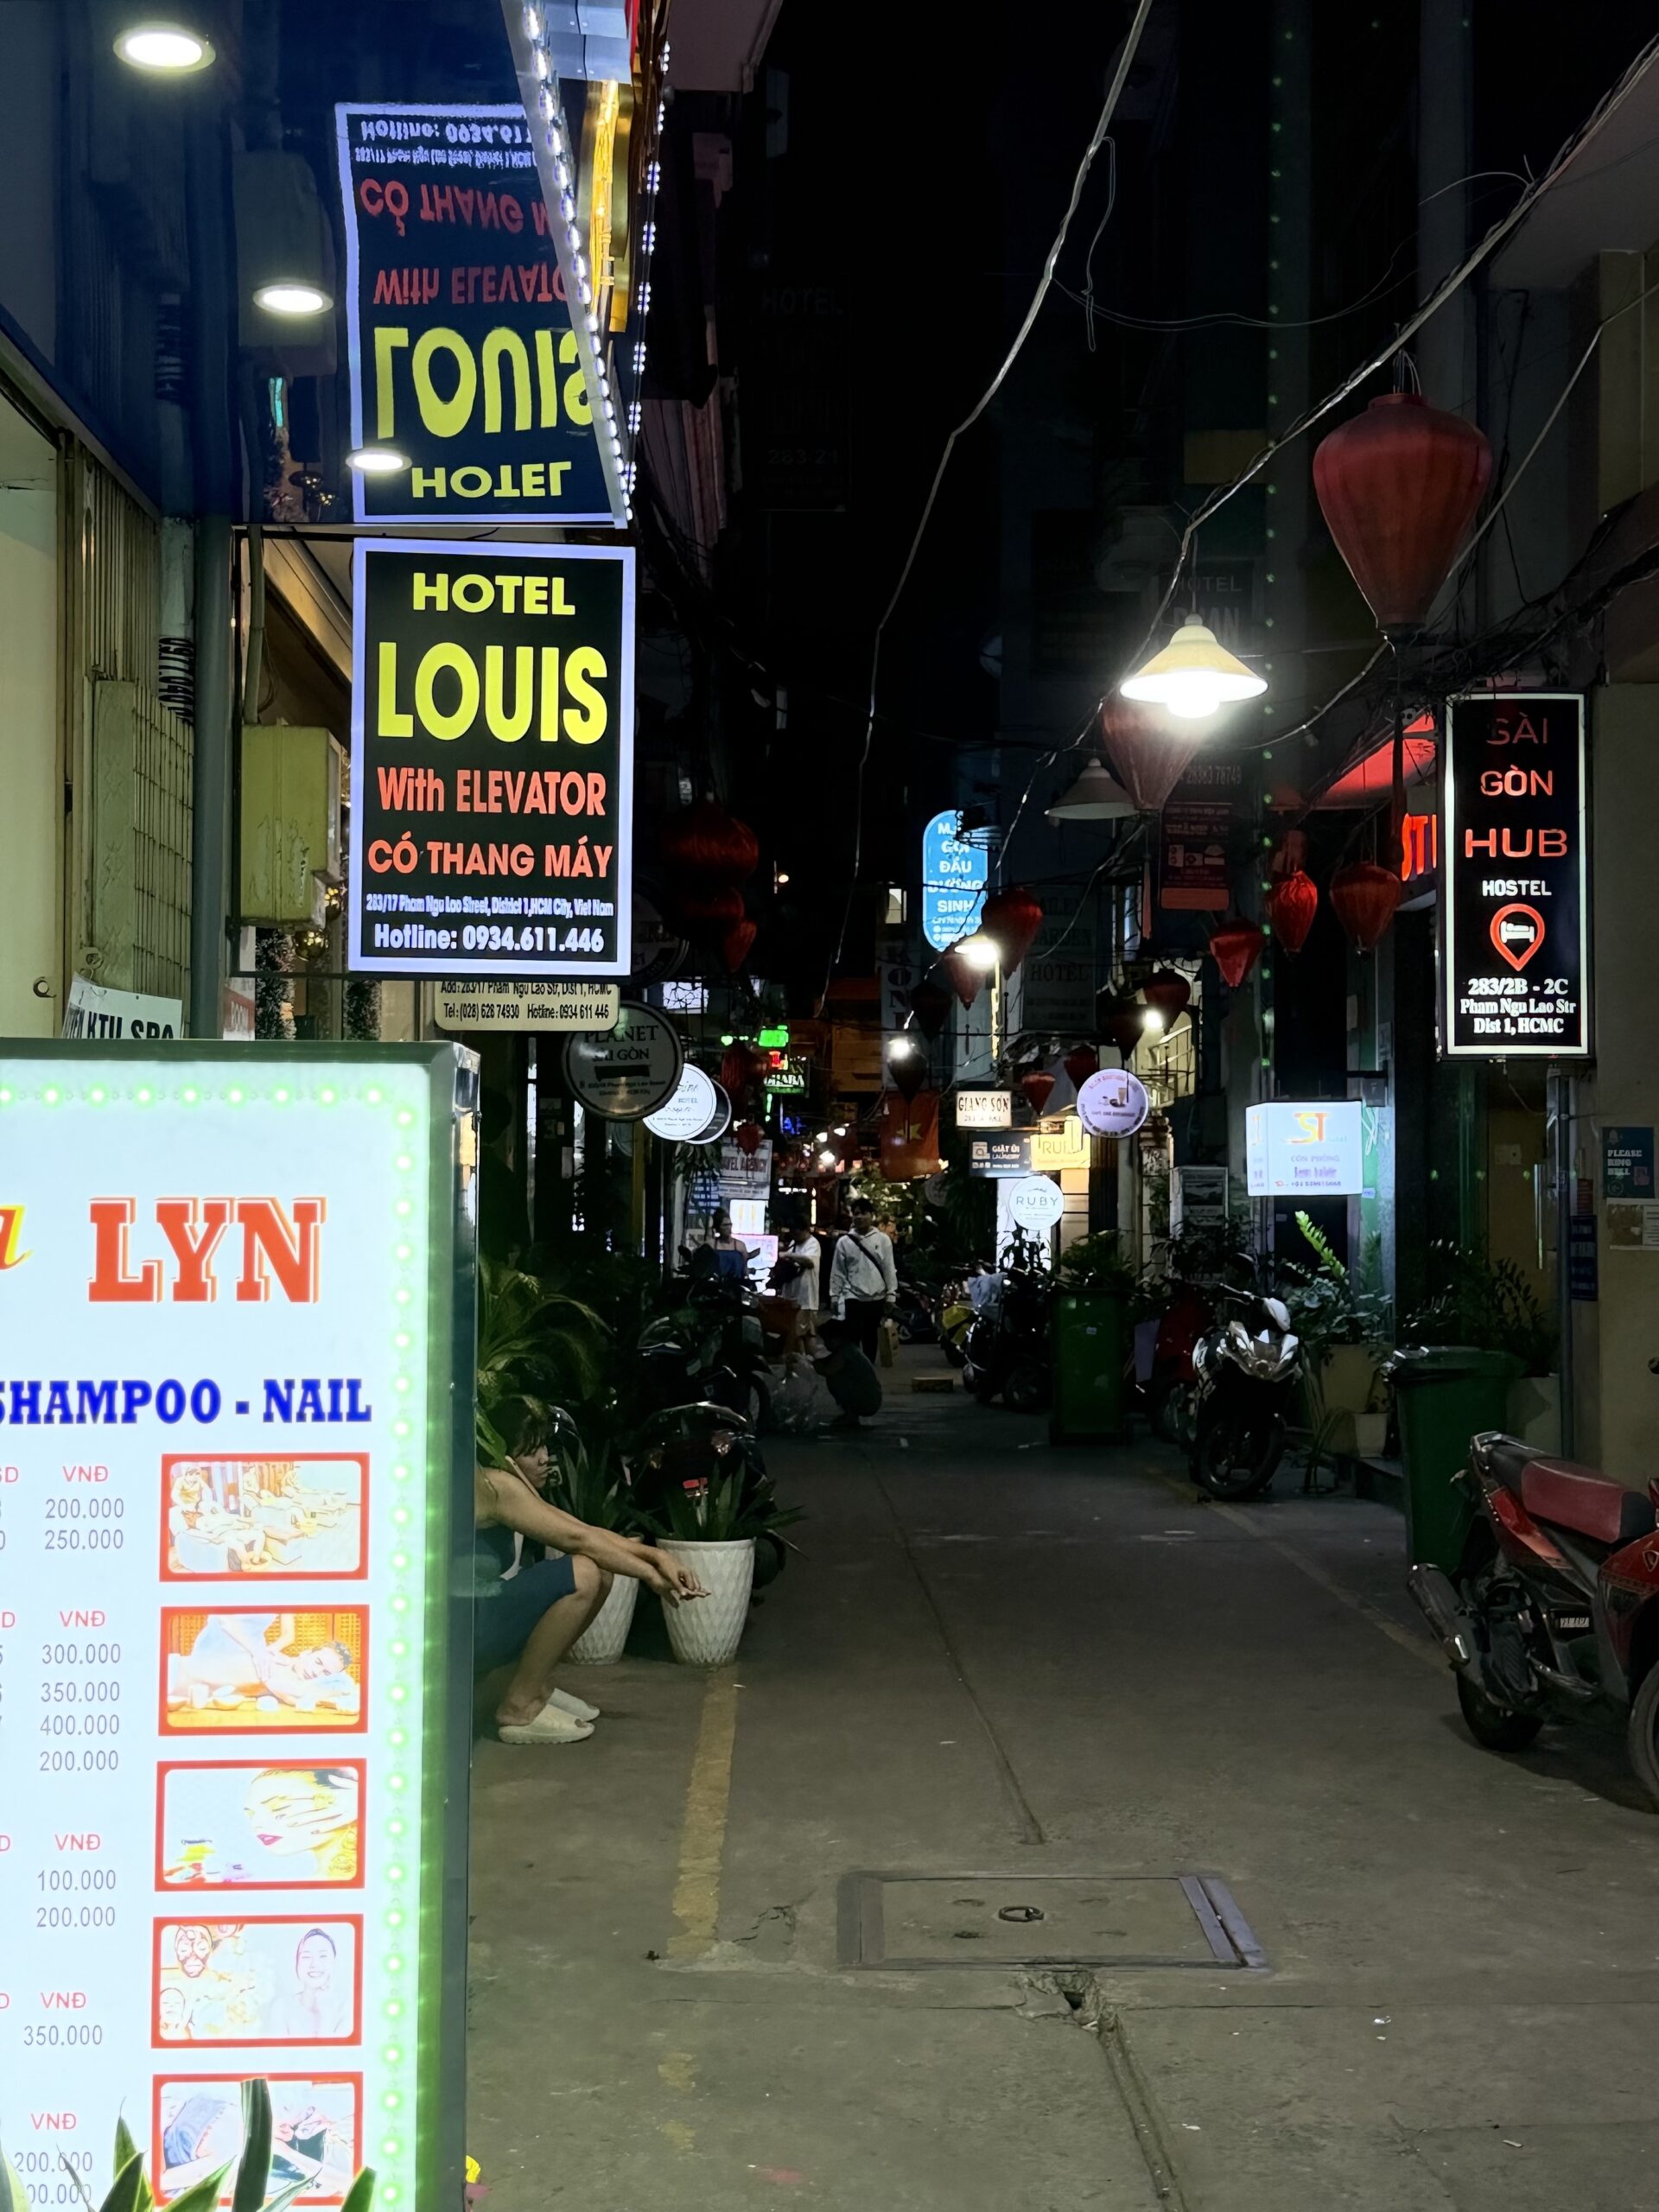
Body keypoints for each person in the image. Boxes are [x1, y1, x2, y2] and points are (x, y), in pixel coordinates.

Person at [474, 1414, 707, 1745]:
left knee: (601, 1570)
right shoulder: (494, 1485)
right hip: (468, 1622)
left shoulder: (505, 1485)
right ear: (503, 1455)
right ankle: (519, 1706)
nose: (544, 1458)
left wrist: (658, 1557)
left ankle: (534, 1686)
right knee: (582, 1572)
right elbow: (578, 1540)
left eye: (544, 1447)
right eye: (530, 1452)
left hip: (479, 1611)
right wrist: (650, 1575)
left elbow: (586, 1532)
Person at [828, 1197, 897, 1362]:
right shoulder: (844, 1242)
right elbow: (838, 1271)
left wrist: (891, 1295)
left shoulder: (883, 1240)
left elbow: (888, 1268)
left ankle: (868, 1367)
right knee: (852, 1336)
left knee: (870, 1336)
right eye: (856, 1213)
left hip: (876, 1296)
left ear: (872, 1215)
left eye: (863, 1213)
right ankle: (856, 1368)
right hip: (853, 1296)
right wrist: (834, 1296)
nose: (859, 1217)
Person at [267, 1927, 353, 2039]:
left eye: (323, 1956)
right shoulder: (281, 2007)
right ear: (297, 1964)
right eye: (306, 1957)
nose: (314, 1964)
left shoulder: (347, 2009)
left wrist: (326, 2014)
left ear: (334, 1963)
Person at [771, 1218, 821, 1360]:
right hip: (792, 1296)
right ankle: (806, 1359)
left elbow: (810, 1262)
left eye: (798, 1233)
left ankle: (800, 1358)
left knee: (798, 1331)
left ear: (805, 1231)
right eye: (793, 1233)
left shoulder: (813, 1244)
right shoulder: (794, 1243)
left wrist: (788, 1255)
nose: (795, 1236)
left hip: (806, 1298)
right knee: (802, 1333)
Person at [708, 1210, 753, 1284]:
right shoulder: (711, 1245)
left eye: (730, 1224)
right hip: (715, 1286)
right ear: (718, 1227)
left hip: (736, 1286)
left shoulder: (740, 1246)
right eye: (725, 1225)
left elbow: (745, 1269)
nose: (728, 1227)